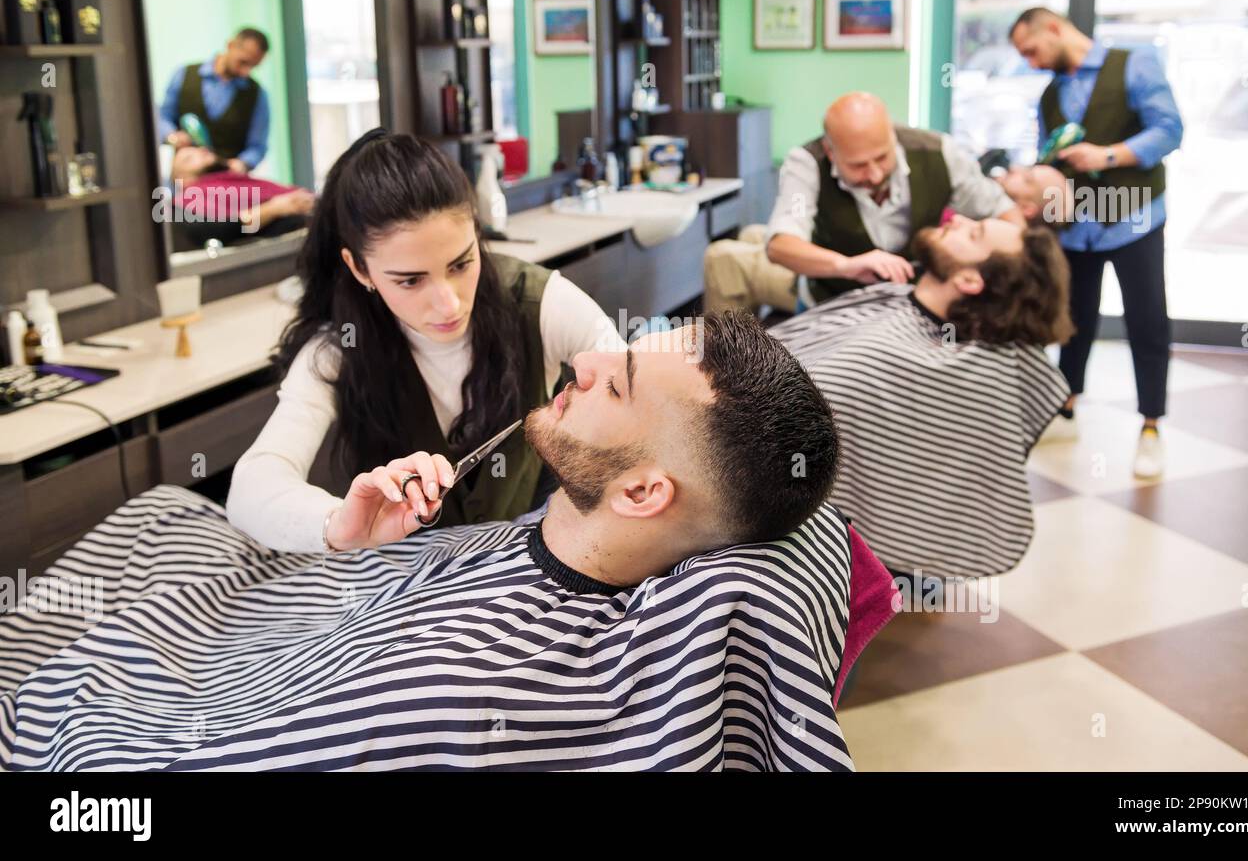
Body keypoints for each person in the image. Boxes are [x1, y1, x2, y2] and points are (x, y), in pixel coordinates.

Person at [0, 313, 857, 771]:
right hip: (268, 628)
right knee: (167, 514)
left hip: (126, 712)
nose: (590, 363)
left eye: (619, 380)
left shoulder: (470, 687)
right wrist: (358, 549)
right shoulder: (562, 538)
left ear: (641, 491)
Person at [226, 130, 625, 552]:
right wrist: (335, 524)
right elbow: (253, 486)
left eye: (461, 263)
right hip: (410, 588)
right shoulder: (339, 348)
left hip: (529, 558)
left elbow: (639, 395)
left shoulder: (541, 302)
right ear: (359, 269)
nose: (448, 304)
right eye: (411, 281)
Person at [771, 215, 1074, 579]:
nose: (958, 219)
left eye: (973, 233)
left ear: (969, 280)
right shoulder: (894, 301)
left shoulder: (867, 365)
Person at [1009, 7, 1184, 478]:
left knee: (1146, 320)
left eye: (1032, 50)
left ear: (1054, 28)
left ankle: (1151, 426)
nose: (1030, 62)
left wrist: (1107, 154)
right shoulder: (1050, 95)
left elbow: (1170, 130)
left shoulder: (1136, 63)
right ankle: (1065, 408)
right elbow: (1049, 158)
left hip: (1135, 219)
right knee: (1072, 320)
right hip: (1076, 227)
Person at [703, 92, 1031, 314]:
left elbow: (1004, 212)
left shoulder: (940, 154)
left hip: (910, 306)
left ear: (892, 135)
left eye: (882, 158)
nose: (874, 174)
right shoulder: (807, 164)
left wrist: (1014, 273)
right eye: (858, 165)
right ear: (831, 151)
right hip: (828, 300)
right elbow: (781, 245)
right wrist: (845, 266)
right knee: (729, 256)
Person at [704, 158, 1069, 314]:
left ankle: (724, 382)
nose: (1017, 169)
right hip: (867, 267)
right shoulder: (983, 217)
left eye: (1028, 179)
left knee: (723, 259)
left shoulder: (992, 253)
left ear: (1027, 212)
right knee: (755, 233)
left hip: (853, 287)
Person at [158, 27, 273, 175]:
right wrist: (172, 136)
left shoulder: (257, 95)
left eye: (253, 66)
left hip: (227, 184)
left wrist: (243, 164)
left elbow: (258, 146)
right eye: (243, 62)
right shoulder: (184, 74)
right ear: (231, 45)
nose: (245, 72)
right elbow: (164, 117)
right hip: (185, 178)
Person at [167, 143, 315, 245]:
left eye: (196, 149)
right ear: (183, 181)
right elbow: (217, 229)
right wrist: (276, 207)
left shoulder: (235, 180)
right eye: (188, 159)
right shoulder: (186, 202)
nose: (201, 150)